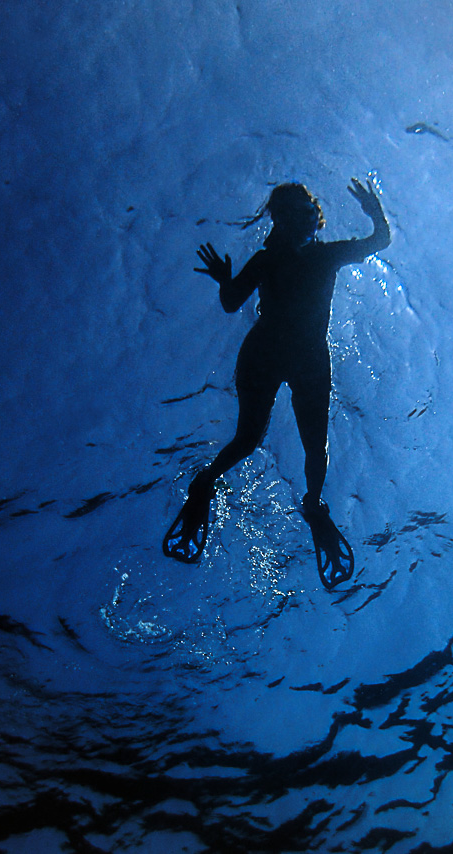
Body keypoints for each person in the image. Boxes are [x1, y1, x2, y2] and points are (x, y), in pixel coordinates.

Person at [163, 178, 391, 588]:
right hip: (270, 355)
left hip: (303, 359)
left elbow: (380, 240)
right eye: (290, 213)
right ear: (279, 221)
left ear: (315, 218)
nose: (301, 219)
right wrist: (224, 281)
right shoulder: (270, 260)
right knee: (248, 441)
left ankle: (313, 505)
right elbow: (232, 302)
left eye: (306, 211)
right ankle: (206, 482)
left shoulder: (325, 255)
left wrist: (375, 211)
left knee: (313, 447)